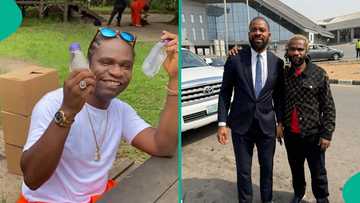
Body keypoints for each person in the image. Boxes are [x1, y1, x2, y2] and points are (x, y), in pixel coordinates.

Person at [17, 28, 178, 203]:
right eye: (106, 62)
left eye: (126, 66)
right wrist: (68, 110)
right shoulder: (52, 104)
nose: (117, 72)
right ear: (88, 65)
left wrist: (175, 78)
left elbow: (163, 147)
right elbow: (32, 179)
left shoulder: (120, 110)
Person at [217, 16, 284, 203]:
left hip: (267, 126)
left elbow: (279, 96)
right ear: (249, 34)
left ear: (269, 34)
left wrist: (280, 122)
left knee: (267, 170)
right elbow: (224, 93)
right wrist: (222, 123)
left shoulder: (277, 63)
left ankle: (267, 200)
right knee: (243, 171)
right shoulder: (235, 59)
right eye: (254, 29)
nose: (258, 33)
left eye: (262, 30)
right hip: (240, 127)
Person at [280, 34, 335, 203]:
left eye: (300, 49)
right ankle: (299, 193)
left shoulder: (319, 74)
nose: (296, 53)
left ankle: (321, 198)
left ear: (306, 51)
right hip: (291, 134)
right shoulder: (284, 75)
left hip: (313, 135)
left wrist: (327, 134)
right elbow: (280, 101)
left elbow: (329, 107)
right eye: (292, 49)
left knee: (318, 170)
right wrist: (280, 123)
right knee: (296, 168)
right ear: (287, 52)